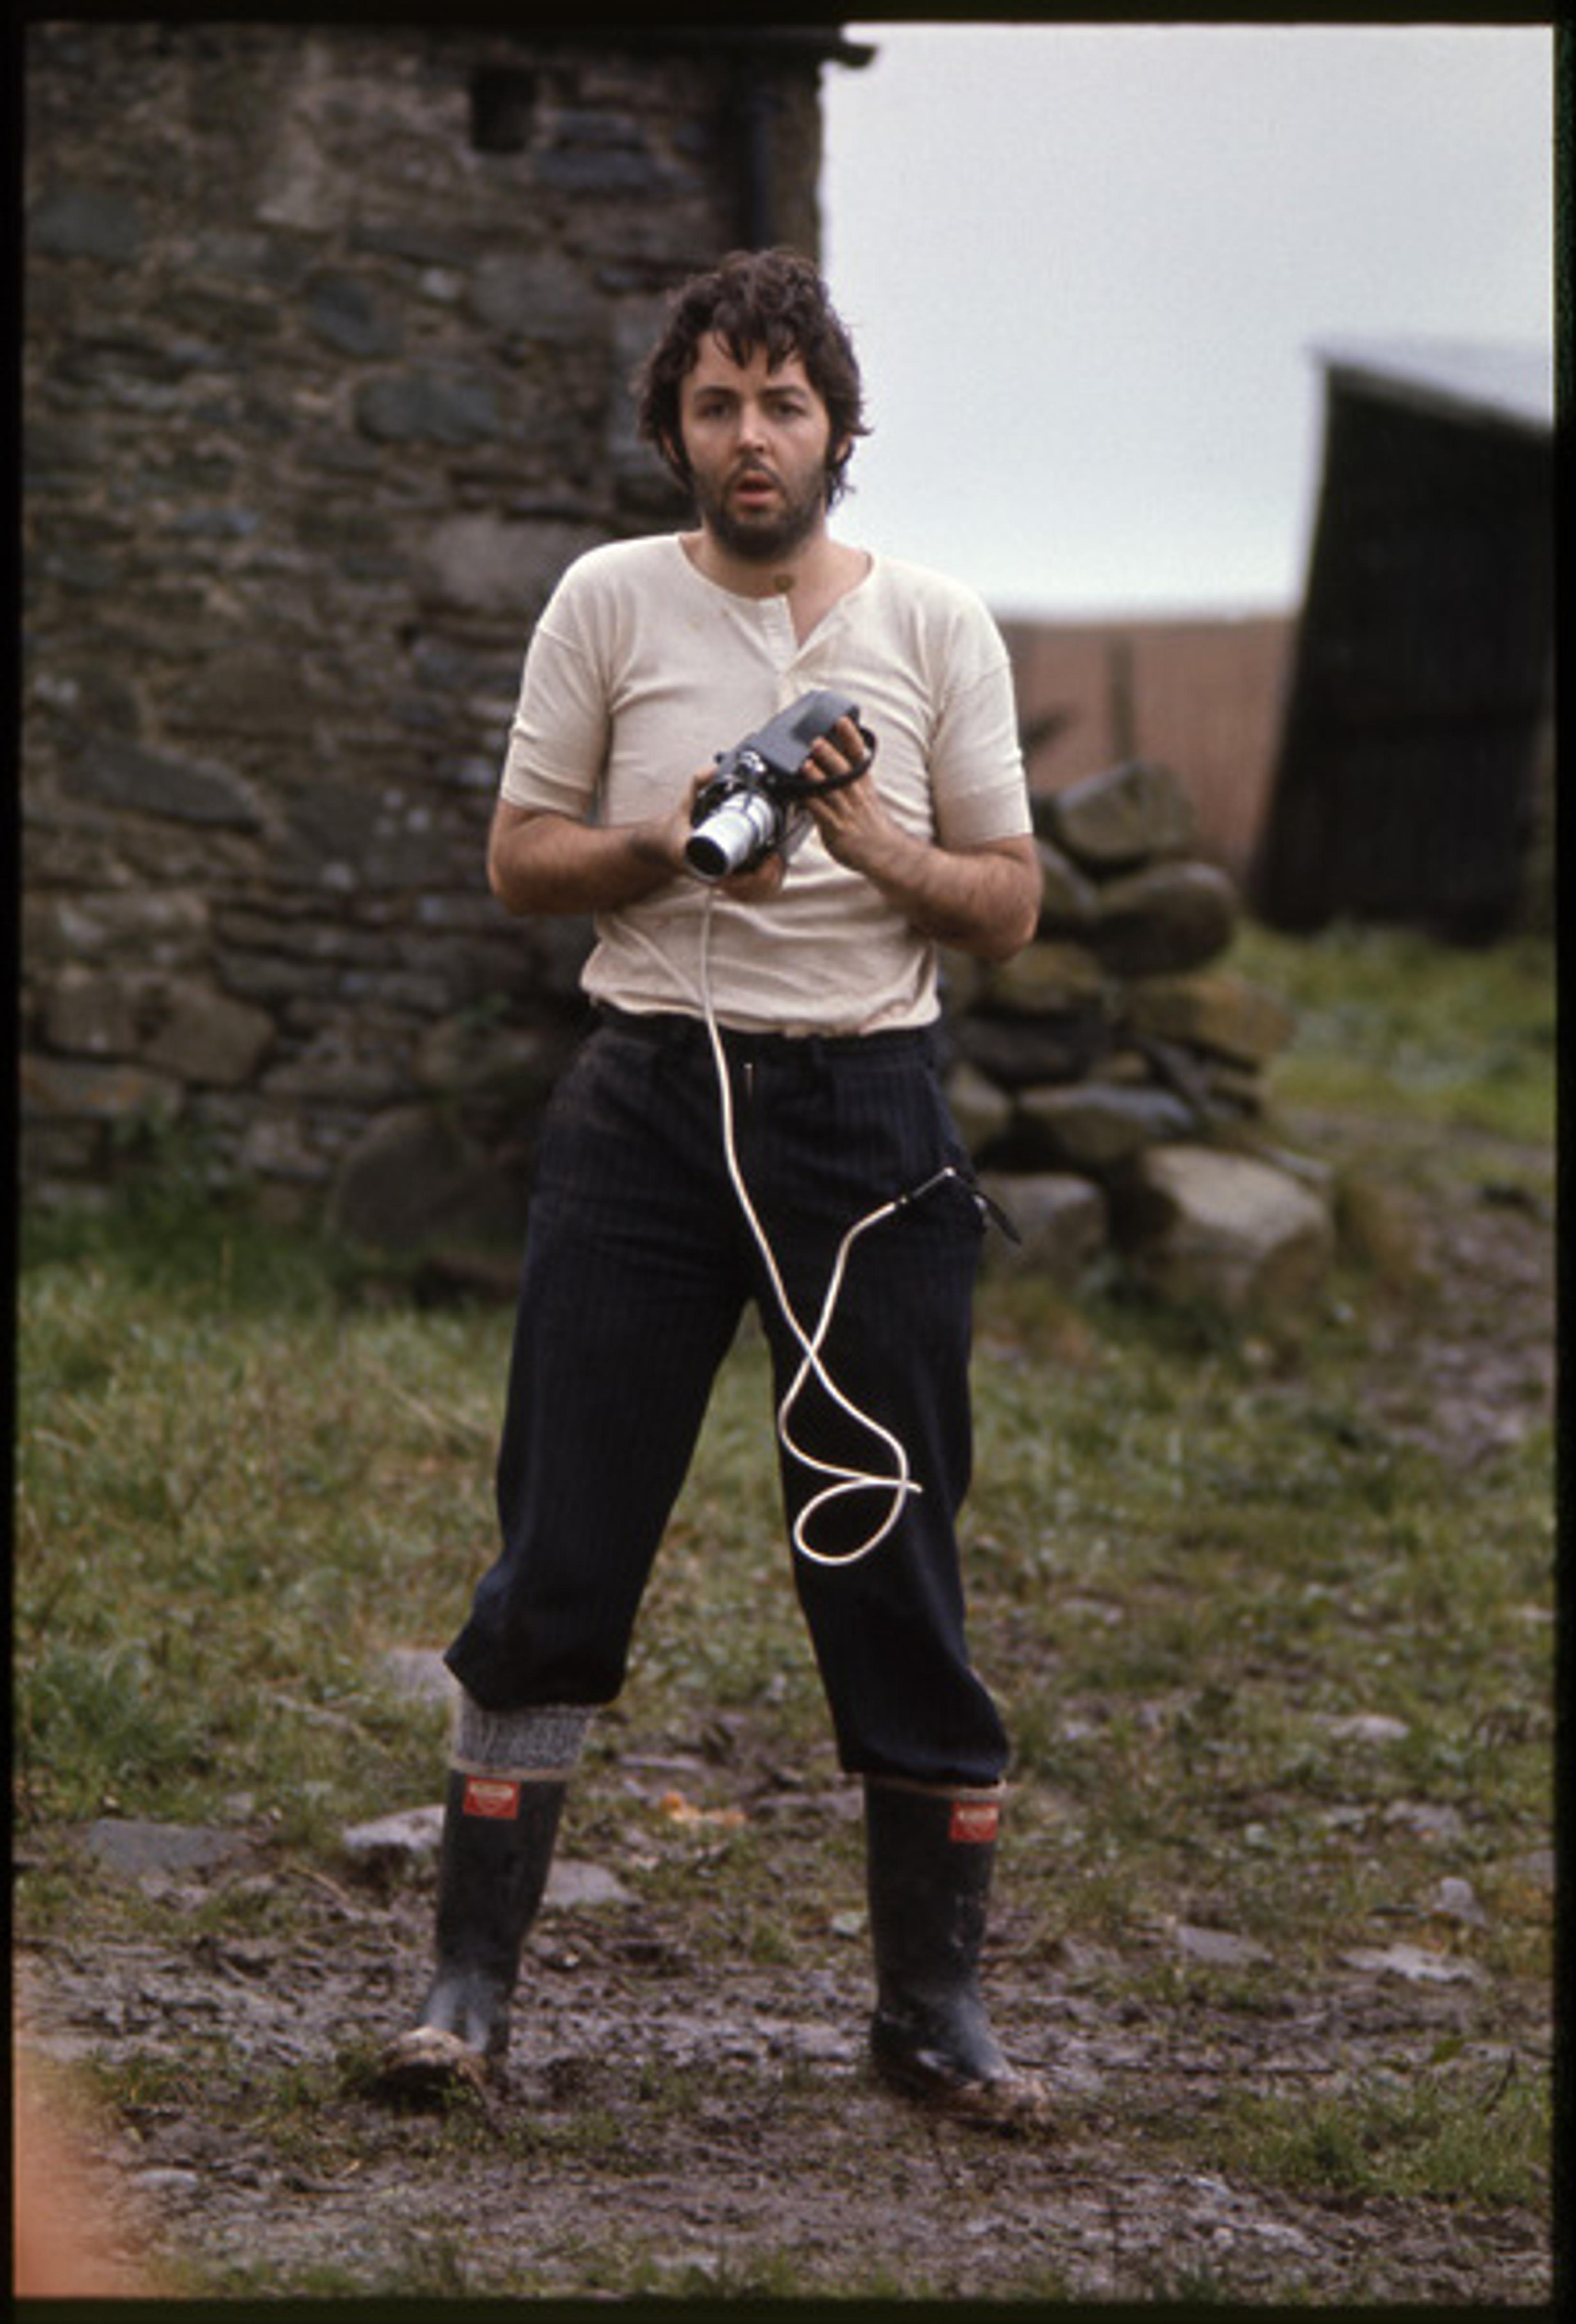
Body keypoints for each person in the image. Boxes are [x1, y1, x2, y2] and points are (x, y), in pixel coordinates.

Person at [381, 248, 1047, 2126]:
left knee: (892, 1547)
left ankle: (933, 2017)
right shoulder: (605, 601)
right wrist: (670, 847)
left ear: (838, 429)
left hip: (873, 1125)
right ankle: (464, 1996)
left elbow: (1009, 900)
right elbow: (522, 863)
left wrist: (871, 841)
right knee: (564, 1540)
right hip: (650, 1115)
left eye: (784, 404)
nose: (750, 439)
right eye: (715, 406)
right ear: (673, 429)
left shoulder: (933, 624)